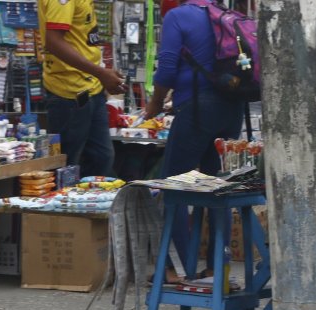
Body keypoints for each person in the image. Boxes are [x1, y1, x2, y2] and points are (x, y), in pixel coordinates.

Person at [145, 0, 245, 266]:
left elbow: (166, 69)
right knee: (216, 187)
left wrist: (154, 105)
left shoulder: (178, 17)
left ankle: (184, 267)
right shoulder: (228, 15)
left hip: (198, 109)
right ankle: (218, 267)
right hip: (232, 109)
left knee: (174, 186)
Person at [37, 0, 125, 177]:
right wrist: (101, 73)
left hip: (92, 89)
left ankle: (90, 202)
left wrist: (101, 74)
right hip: (69, 94)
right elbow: (53, 41)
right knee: (67, 168)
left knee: (102, 158)